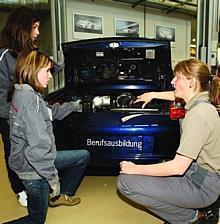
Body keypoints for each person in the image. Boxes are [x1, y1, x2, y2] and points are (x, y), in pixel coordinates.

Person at [117, 58, 220, 224]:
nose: (172, 82)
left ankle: (193, 218)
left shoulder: (199, 114)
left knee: (125, 183)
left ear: (191, 82)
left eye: (177, 78)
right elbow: (175, 94)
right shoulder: (202, 101)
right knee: (157, 168)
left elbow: (178, 167)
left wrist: (135, 168)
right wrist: (153, 95)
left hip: (202, 186)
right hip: (196, 175)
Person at [4, 50, 90, 224]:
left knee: (82, 156)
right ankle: (57, 192)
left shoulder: (22, 93)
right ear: (32, 70)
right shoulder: (30, 100)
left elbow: (51, 112)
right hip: (34, 171)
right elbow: (38, 148)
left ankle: (61, 196)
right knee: (36, 220)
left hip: (30, 162)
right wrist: (52, 179)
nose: (50, 76)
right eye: (47, 71)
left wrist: (73, 106)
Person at [0, 6, 41, 207]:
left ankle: (35, 182)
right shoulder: (4, 56)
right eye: (34, 28)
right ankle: (20, 189)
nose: (37, 32)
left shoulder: (29, 52)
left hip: (28, 110)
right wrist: (11, 118)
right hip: (9, 115)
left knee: (33, 146)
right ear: (22, 29)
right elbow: (3, 92)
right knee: (14, 152)